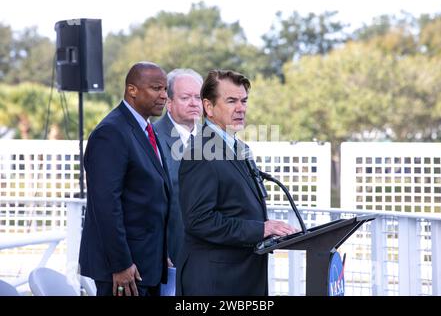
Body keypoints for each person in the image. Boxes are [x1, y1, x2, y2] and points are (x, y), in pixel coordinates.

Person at [177, 69, 298, 296]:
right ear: (209, 107)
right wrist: (260, 229)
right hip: (215, 282)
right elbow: (199, 220)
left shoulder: (239, 147)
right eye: (231, 101)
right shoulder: (201, 152)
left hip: (242, 278)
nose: (241, 108)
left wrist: (266, 229)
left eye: (244, 101)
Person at [78, 62, 171, 296]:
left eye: (165, 89)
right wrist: (120, 264)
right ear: (132, 90)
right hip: (123, 271)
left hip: (147, 264)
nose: (163, 96)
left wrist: (160, 254)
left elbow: (149, 196)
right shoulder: (111, 132)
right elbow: (106, 205)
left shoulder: (145, 129)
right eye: (156, 88)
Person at [154, 68, 203, 267]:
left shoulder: (213, 139)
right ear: (169, 103)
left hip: (207, 255)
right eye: (185, 97)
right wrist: (158, 252)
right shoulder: (152, 137)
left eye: (198, 97)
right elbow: (148, 203)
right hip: (169, 255)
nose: (194, 103)